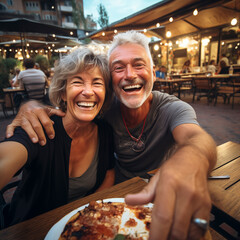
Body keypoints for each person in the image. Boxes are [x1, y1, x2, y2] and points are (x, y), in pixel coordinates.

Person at [5, 31, 217, 240]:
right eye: (118, 67)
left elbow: (195, 138)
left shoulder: (170, 109)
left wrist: (191, 160)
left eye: (138, 64)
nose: (130, 74)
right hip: (57, 222)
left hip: (141, 204)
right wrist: (30, 105)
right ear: (111, 83)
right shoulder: (93, 113)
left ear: (154, 72)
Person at [0, 48, 115, 228]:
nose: (88, 91)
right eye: (78, 82)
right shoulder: (40, 127)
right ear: (62, 92)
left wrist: (86, 216)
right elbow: (7, 156)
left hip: (78, 228)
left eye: (97, 83)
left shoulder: (105, 131)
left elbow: (109, 174)